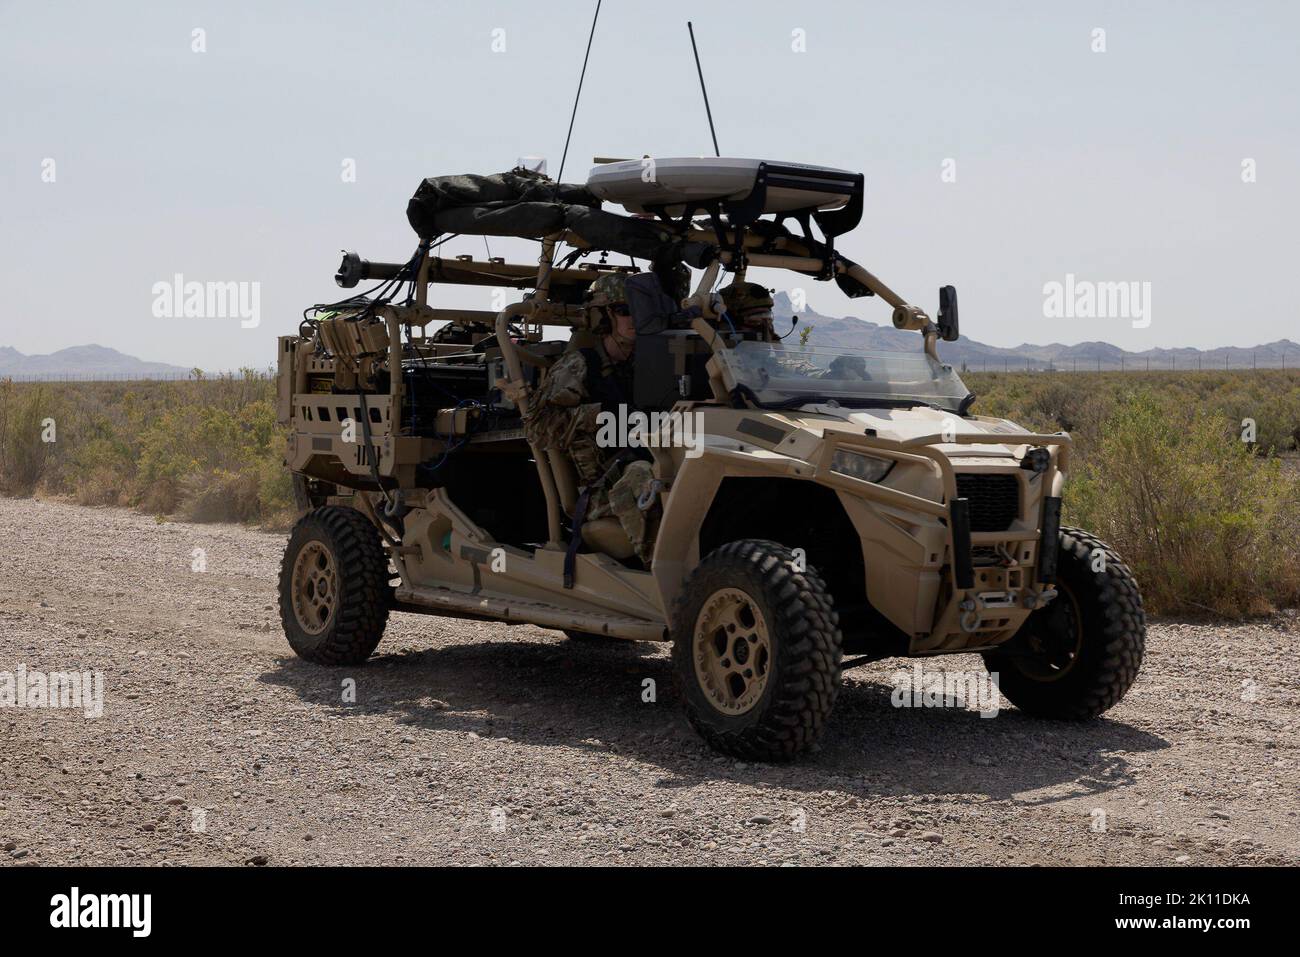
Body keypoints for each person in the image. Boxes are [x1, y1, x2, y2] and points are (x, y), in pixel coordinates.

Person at [524, 272, 660, 565]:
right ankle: (660, 572)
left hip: (655, 462)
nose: (634, 318)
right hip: (602, 488)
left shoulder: (659, 362)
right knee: (640, 473)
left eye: (640, 310)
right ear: (605, 316)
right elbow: (538, 427)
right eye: (625, 311)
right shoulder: (580, 365)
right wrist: (597, 415)